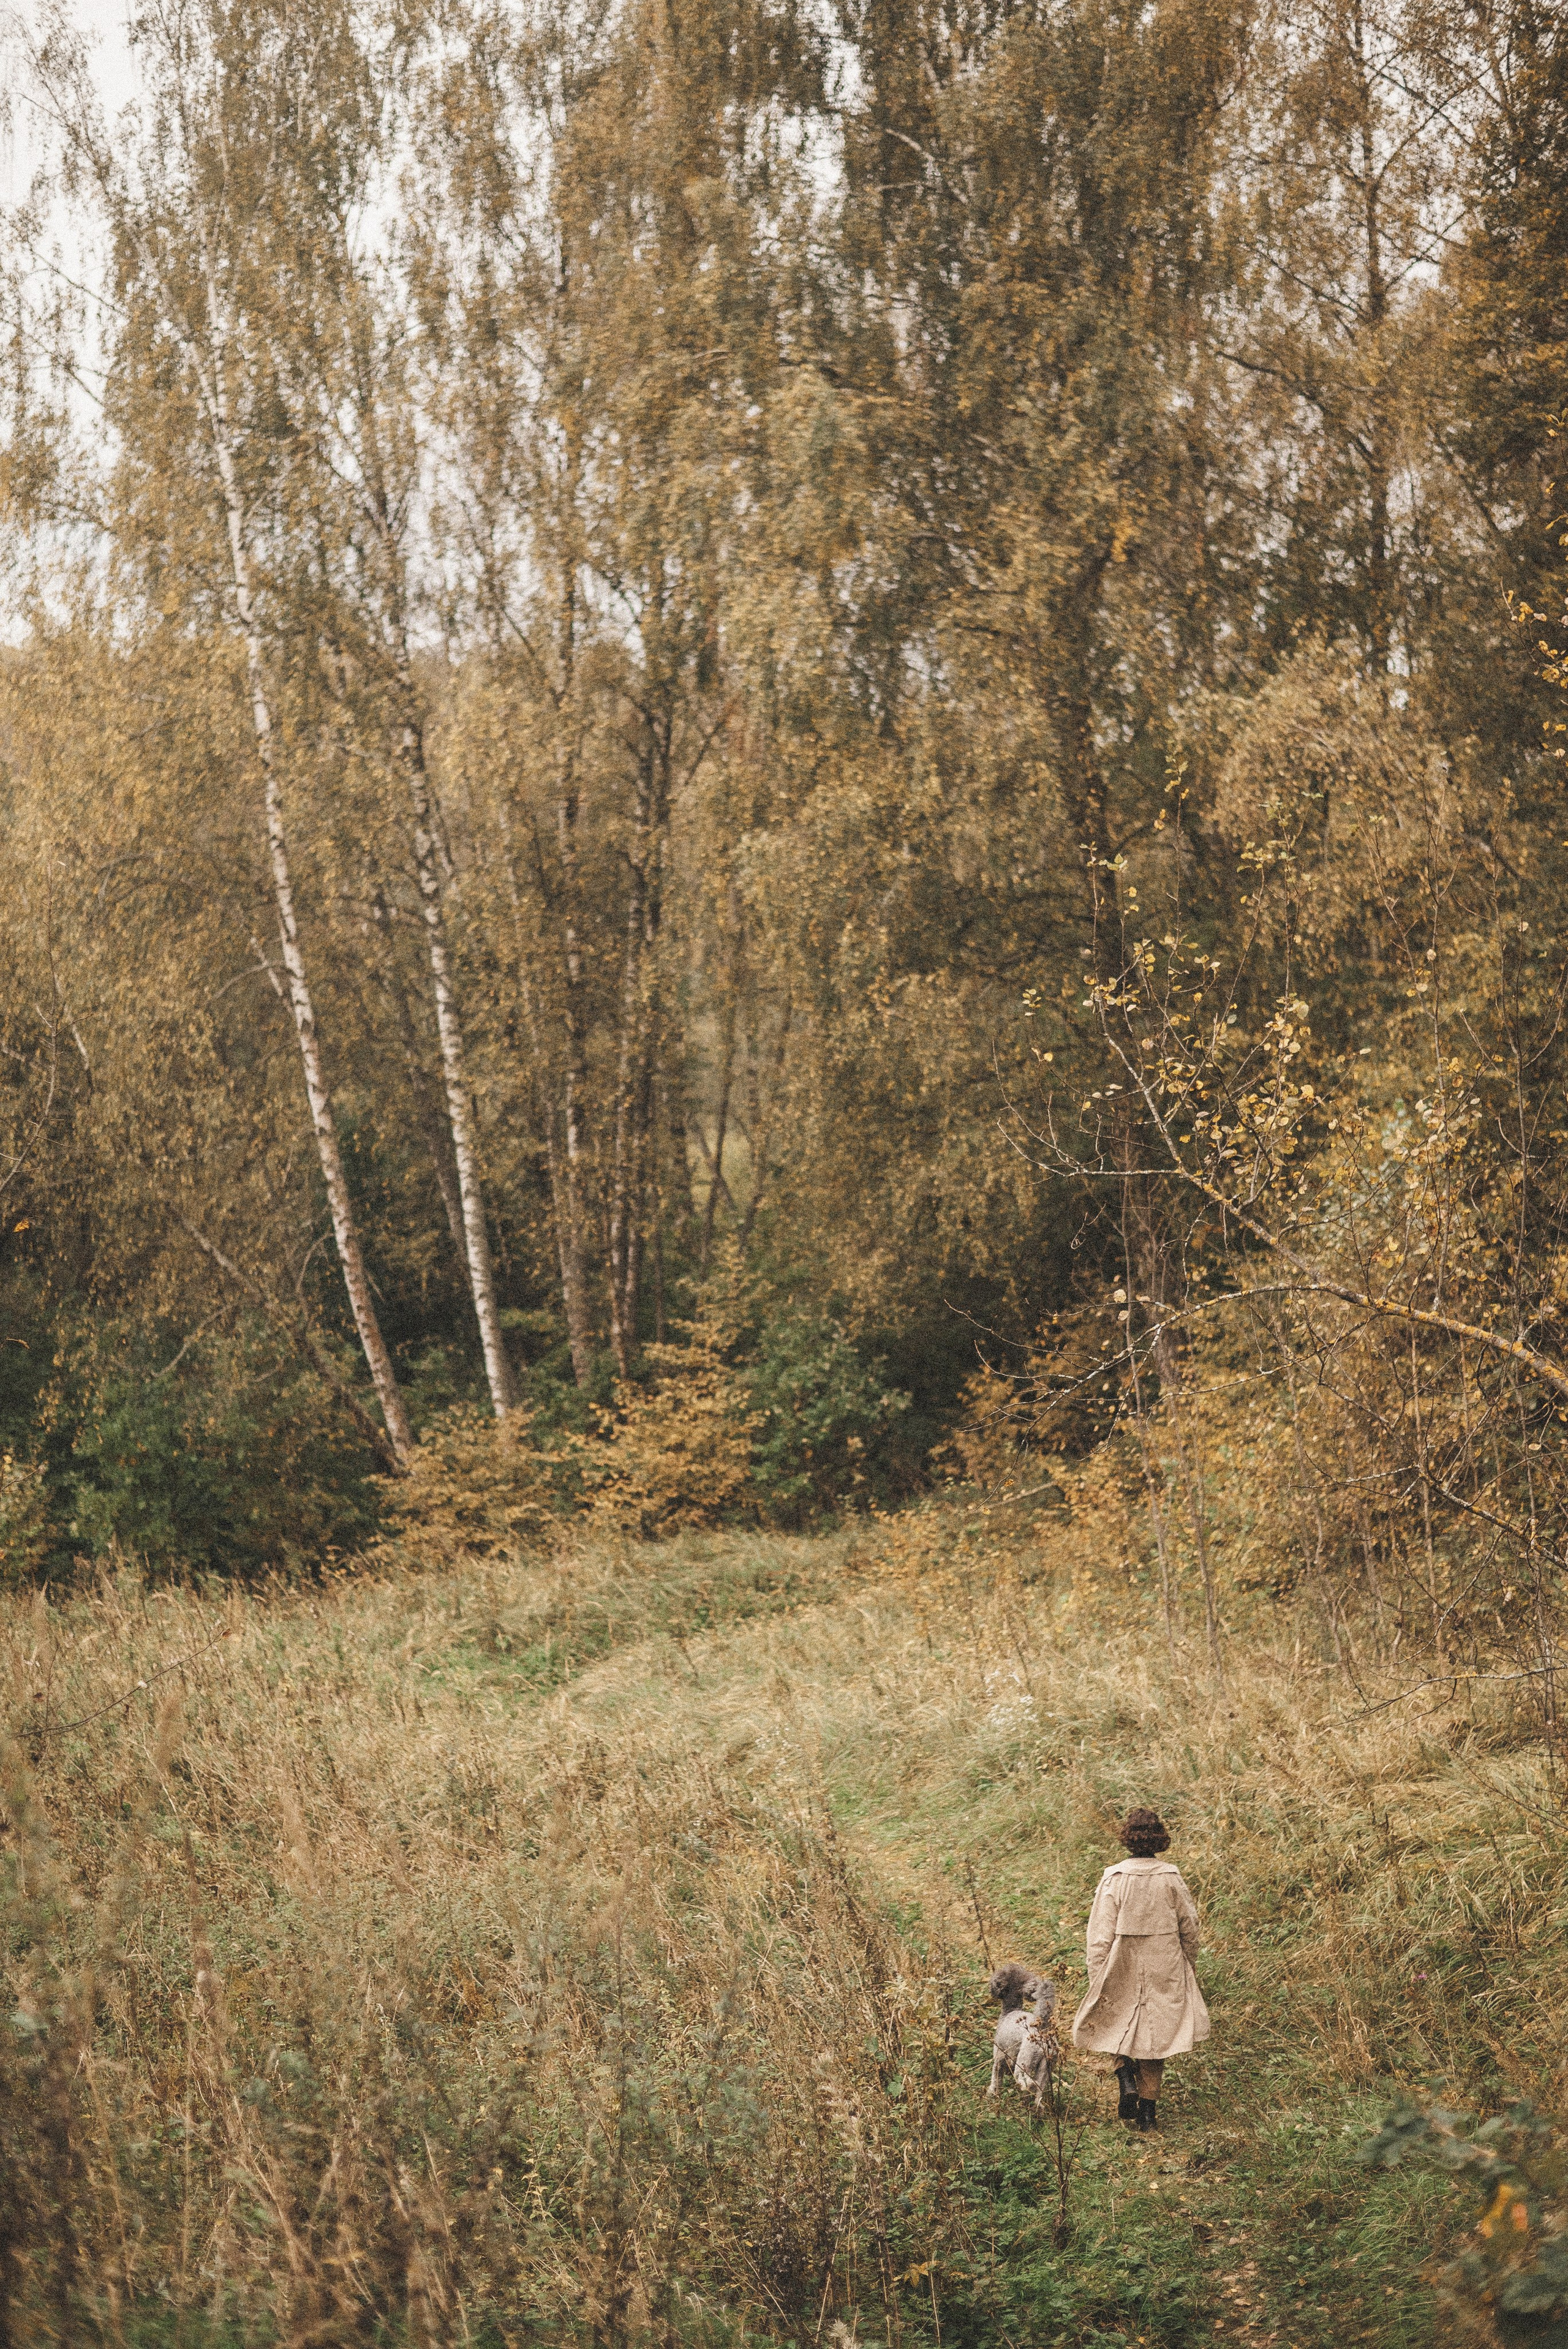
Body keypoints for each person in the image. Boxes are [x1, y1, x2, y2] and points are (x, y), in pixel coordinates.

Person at [1069, 1807, 1209, 2132]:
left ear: (1128, 1840)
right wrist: (1187, 1960)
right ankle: (1148, 2111)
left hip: (1122, 1960)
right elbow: (1190, 1925)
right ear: (1160, 1839)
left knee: (1112, 2018)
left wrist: (1098, 1974)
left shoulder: (1114, 1878)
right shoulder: (1171, 1877)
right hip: (1166, 1961)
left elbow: (1099, 1934)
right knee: (1157, 2034)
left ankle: (1124, 2075)